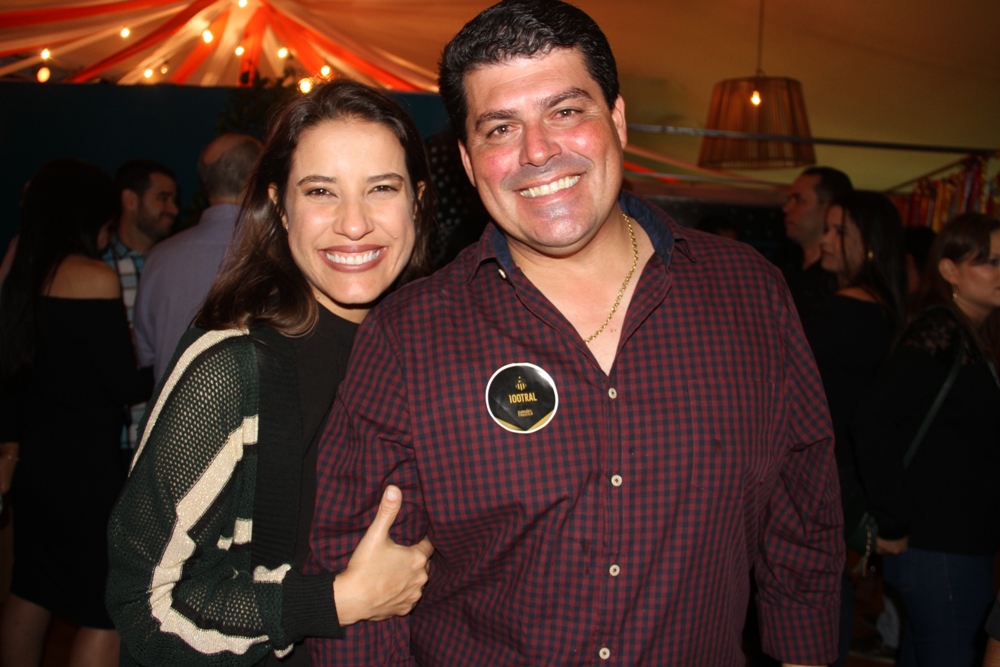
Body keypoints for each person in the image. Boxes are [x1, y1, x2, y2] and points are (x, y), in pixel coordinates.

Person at [308, 2, 843, 665]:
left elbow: (802, 512)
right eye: (501, 128)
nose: (538, 151)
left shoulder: (748, 294)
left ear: (616, 120)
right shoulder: (408, 338)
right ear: (469, 162)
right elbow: (355, 580)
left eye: (565, 111)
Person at [106, 79, 436, 667]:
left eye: (381, 188)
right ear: (281, 208)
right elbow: (146, 605)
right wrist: (336, 600)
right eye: (321, 191)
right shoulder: (233, 364)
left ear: (417, 200)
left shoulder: (423, 348)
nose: (353, 223)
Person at [0, 158, 153, 667]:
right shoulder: (92, 277)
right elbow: (122, 385)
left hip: (33, 466)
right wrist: (171, 361)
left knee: (30, 589)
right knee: (102, 608)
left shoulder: (18, 270)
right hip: (85, 472)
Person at [854, 212, 1000, 667]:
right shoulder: (941, 329)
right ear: (949, 269)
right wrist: (892, 520)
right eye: (991, 262)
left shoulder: (971, 333)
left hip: (954, 544)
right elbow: (873, 417)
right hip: (939, 546)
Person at [800, 190, 907, 667]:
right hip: (851, 474)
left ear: (869, 243)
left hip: (825, 474)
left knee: (815, 597)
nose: (825, 240)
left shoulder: (842, 312)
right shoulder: (888, 308)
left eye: (837, 231)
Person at [134, 134, 262, 383]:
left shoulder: (159, 258)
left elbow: (146, 352)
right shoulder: (279, 252)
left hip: (172, 404)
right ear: (255, 178)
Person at [105, 159, 179, 452]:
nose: (173, 209)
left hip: (166, 438)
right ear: (130, 200)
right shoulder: (97, 269)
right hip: (115, 439)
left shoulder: (177, 264)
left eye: (174, 199)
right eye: (163, 198)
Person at [782, 166, 853, 314]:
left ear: (828, 208)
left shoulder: (839, 279)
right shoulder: (789, 272)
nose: (786, 208)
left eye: (798, 200)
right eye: (789, 199)